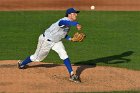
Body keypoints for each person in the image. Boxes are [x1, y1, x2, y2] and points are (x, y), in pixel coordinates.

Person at [18, 8, 81, 82]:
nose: (76, 15)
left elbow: (63, 35)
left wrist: (71, 39)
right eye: (74, 13)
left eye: (76, 13)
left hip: (56, 41)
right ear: (69, 15)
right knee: (37, 58)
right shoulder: (63, 21)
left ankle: (72, 75)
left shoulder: (68, 24)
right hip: (45, 41)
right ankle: (21, 63)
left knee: (64, 55)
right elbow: (63, 22)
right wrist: (76, 24)